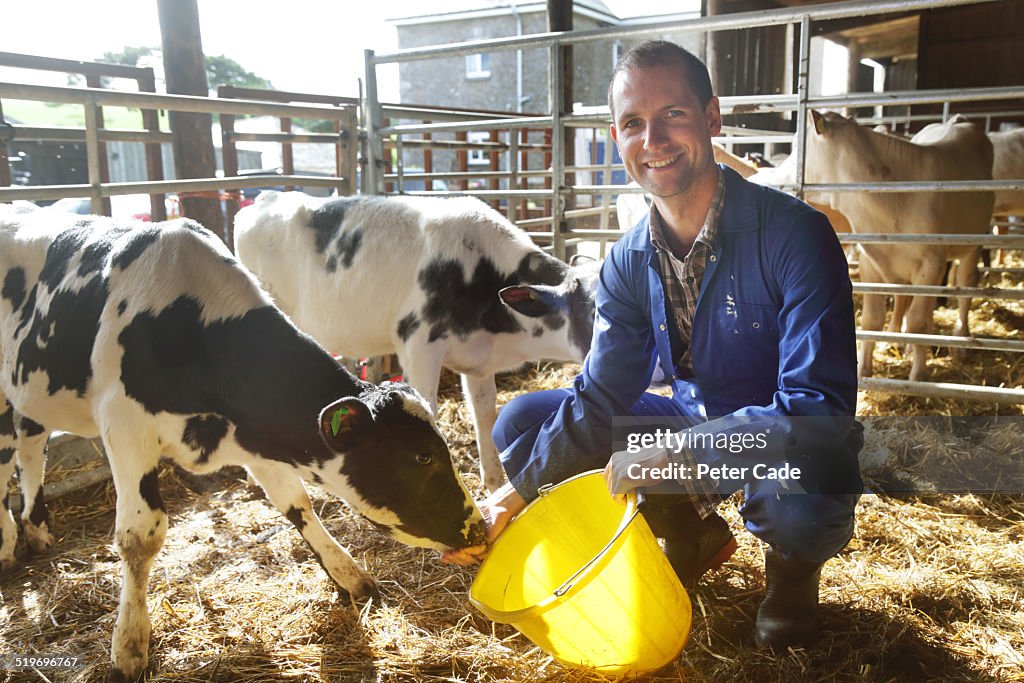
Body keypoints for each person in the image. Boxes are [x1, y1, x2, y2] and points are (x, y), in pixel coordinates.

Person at [445, 40, 863, 650]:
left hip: (778, 435)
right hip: (693, 416)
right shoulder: (628, 259)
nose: (654, 140)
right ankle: (690, 531)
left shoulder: (796, 235)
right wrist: (514, 494)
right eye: (633, 123)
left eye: (673, 114)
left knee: (805, 488)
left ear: (711, 118)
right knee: (526, 423)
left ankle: (792, 573)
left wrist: (678, 455)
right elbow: (601, 395)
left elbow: (818, 409)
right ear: (617, 139)